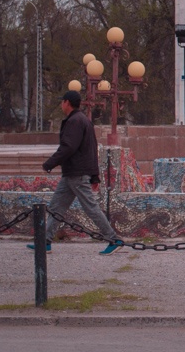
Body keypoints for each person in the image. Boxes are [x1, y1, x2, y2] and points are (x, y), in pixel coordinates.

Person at [32, 90, 124, 254]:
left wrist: (50, 163)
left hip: (76, 173)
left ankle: (113, 239)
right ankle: (44, 241)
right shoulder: (83, 120)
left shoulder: (74, 121)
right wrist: (94, 175)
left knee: (91, 208)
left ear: (67, 102)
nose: (61, 105)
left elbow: (68, 147)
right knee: (55, 207)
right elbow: (91, 149)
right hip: (71, 174)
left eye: (62, 102)